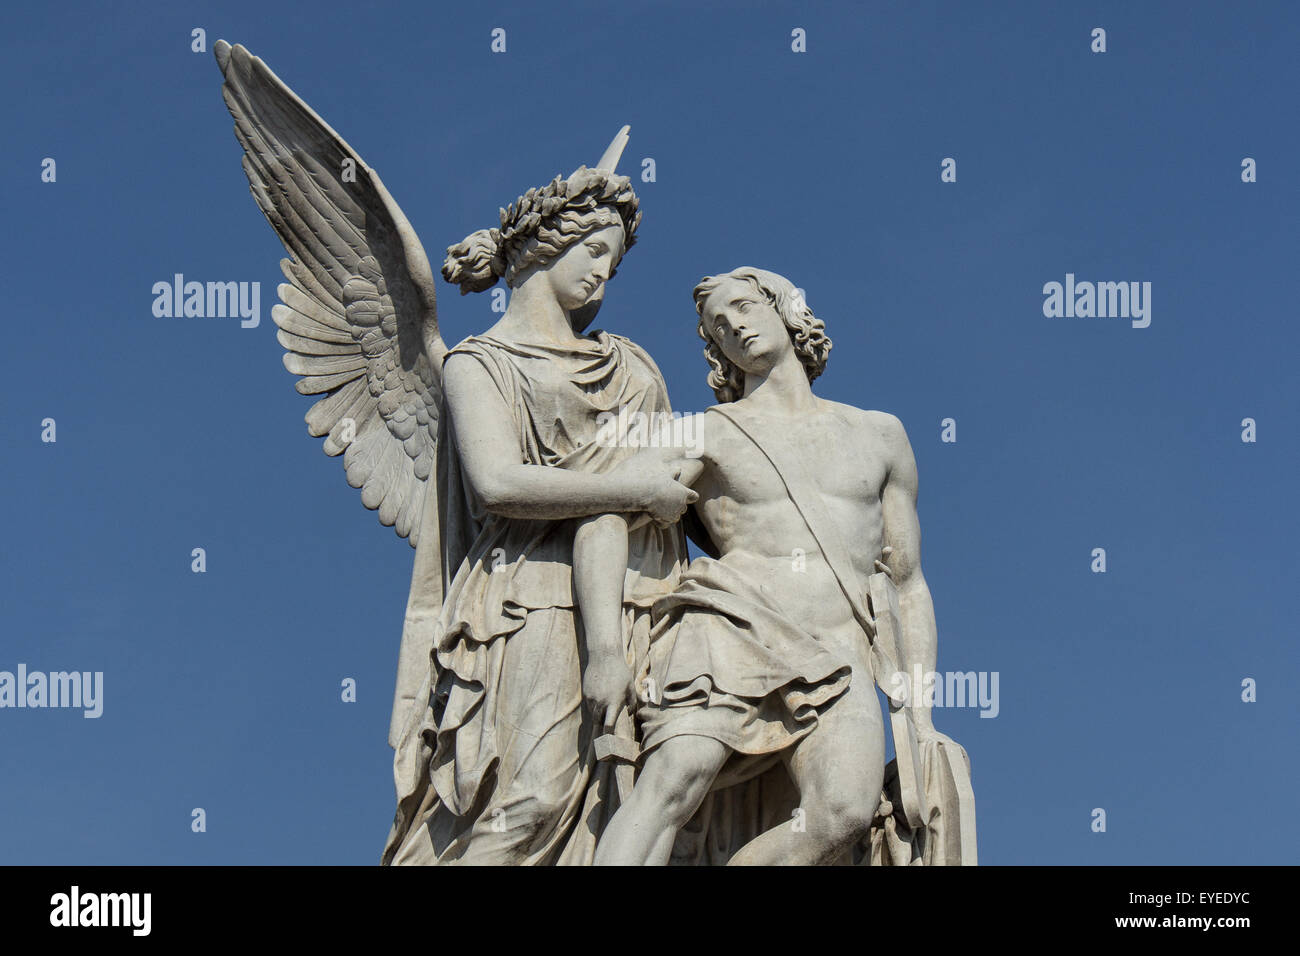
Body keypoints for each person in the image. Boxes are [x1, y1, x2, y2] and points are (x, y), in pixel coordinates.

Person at [383, 155, 698, 865]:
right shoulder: (479, 363)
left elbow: (681, 481)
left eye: (611, 266)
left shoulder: (630, 364)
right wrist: (629, 492)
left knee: (622, 813)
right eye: (592, 253)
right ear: (546, 246)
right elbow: (498, 482)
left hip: (639, 600)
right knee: (534, 800)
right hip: (527, 599)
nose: (599, 276)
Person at [594, 267, 951, 865]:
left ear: (786, 308)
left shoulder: (881, 435)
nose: (734, 325)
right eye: (717, 327)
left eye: (743, 306)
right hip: (732, 625)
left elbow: (907, 584)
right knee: (673, 781)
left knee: (843, 815)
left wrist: (918, 709)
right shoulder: (703, 431)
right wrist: (605, 650)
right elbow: (607, 512)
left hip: (841, 651)